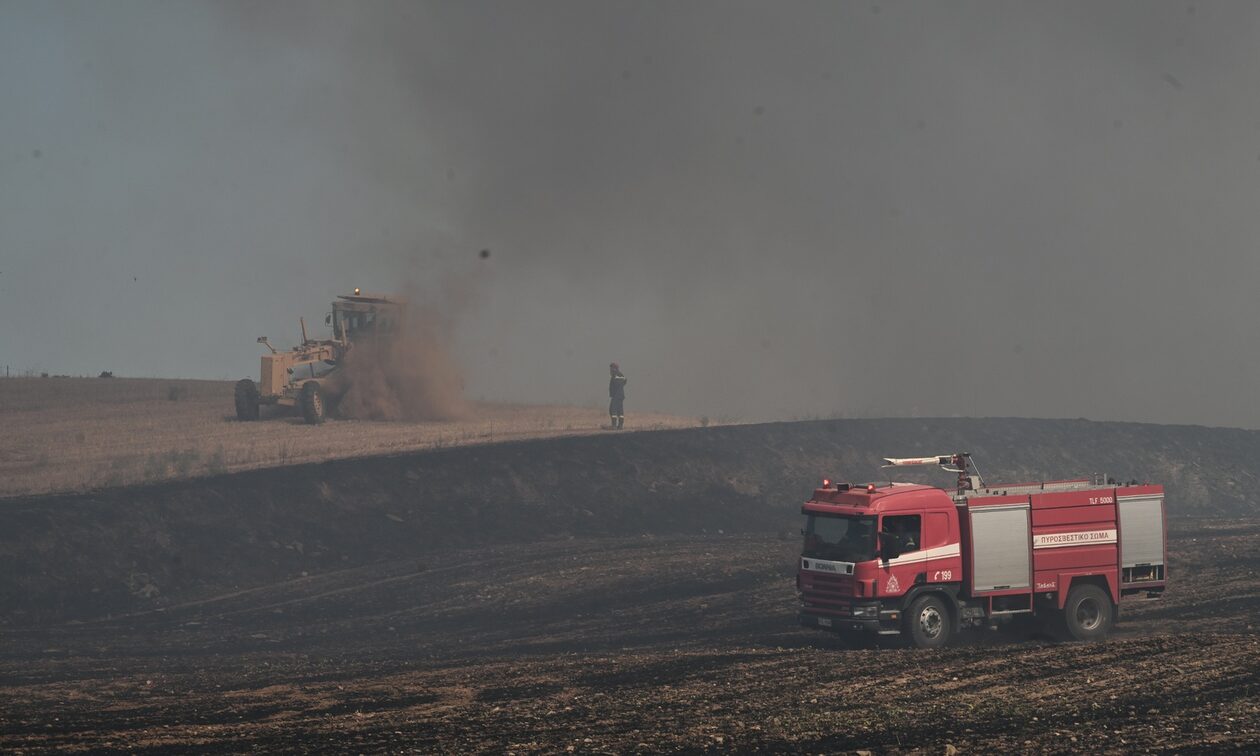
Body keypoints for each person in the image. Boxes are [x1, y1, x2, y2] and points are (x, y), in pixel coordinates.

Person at [608, 362, 627, 429]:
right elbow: (625, 381)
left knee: (612, 409)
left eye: (611, 368)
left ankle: (614, 425)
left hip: (616, 396)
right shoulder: (621, 375)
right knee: (620, 410)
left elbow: (615, 385)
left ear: (614, 368)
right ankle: (620, 425)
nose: (610, 370)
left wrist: (614, 392)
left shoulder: (615, 375)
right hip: (621, 396)